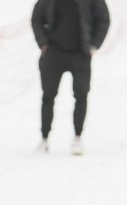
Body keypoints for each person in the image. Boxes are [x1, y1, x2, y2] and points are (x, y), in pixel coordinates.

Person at [31, 0, 110, 155]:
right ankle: (44, 138)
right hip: (53, 54)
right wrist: (43, 44)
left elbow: (103, 19)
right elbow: (36, 18)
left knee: (81, 95)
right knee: (48, 96)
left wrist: (94, 44)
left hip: (80, 54)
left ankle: (78, 137)